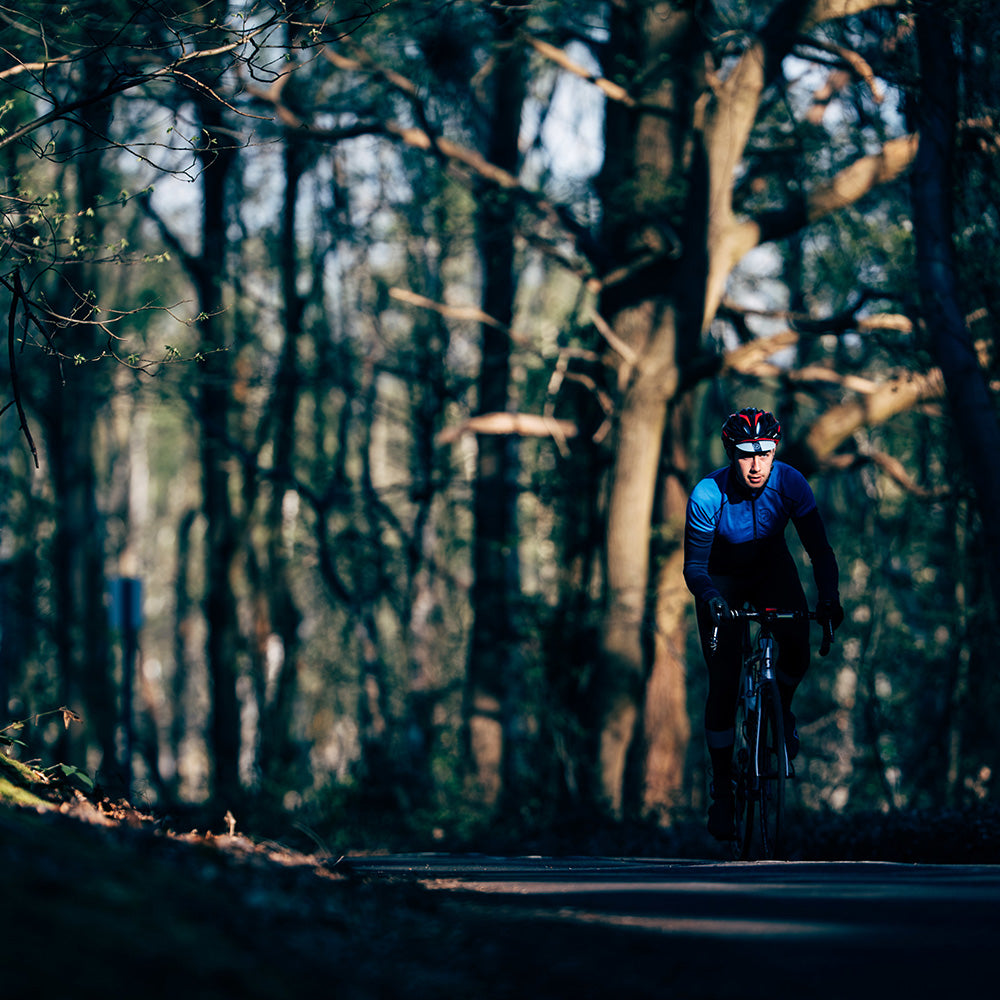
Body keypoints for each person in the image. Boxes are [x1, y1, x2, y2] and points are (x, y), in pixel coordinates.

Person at [683, 407, 843, 841]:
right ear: (731, 454)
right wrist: (712, 597)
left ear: (775, 451)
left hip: (772, 568)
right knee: (724, 679)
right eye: (746, 455)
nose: (756, 465)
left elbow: (820, 552)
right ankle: (722, 787)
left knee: (798, 647)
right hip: (720, 578)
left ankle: (780, 711)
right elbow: (694, 567)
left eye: (765, 453)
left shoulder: (790, 482)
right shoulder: (707, 495)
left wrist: (829, 598)